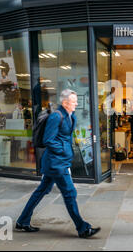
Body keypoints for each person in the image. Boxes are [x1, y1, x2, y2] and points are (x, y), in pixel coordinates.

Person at [16, 89, 100, 239]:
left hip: (58, 161)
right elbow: (49, 139)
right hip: (56, 163)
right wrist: (63, 151)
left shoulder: (70, 115)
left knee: (42, 191)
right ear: (65, 102)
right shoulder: (56, 116)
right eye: (73, 101)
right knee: (70, 193)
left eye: (76, 101)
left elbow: (65, 136)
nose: (76, 103)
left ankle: (22, 221)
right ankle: (82, 228)